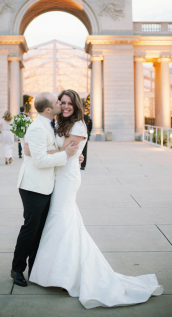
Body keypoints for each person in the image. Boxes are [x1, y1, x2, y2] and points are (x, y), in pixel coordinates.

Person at [25, 89, 163, 309]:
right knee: (62, 222)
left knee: (61, 221)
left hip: (67, 179)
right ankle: (58, 271)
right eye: (62, 102)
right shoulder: (60, 124)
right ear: (57, 105)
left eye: (70, 103)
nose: (66, 106)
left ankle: (64, 275)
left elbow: (62, 152)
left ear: (76, 104)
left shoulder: (79, 125)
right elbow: (63, 152)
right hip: (57, 176)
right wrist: (52, 151)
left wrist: (34, 151)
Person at [11, 92, 80, 288]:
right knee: (30, 228)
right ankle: (17, 268)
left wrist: (73, 157)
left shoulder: (51, 124)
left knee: (40, 230)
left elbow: (46, 152)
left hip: (46, 184)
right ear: (49, 109)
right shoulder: (37, 128)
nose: (61, 103)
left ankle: (35, 268)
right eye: (58, 102)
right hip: (33, 186)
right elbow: (40, 161)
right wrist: (65, 155)